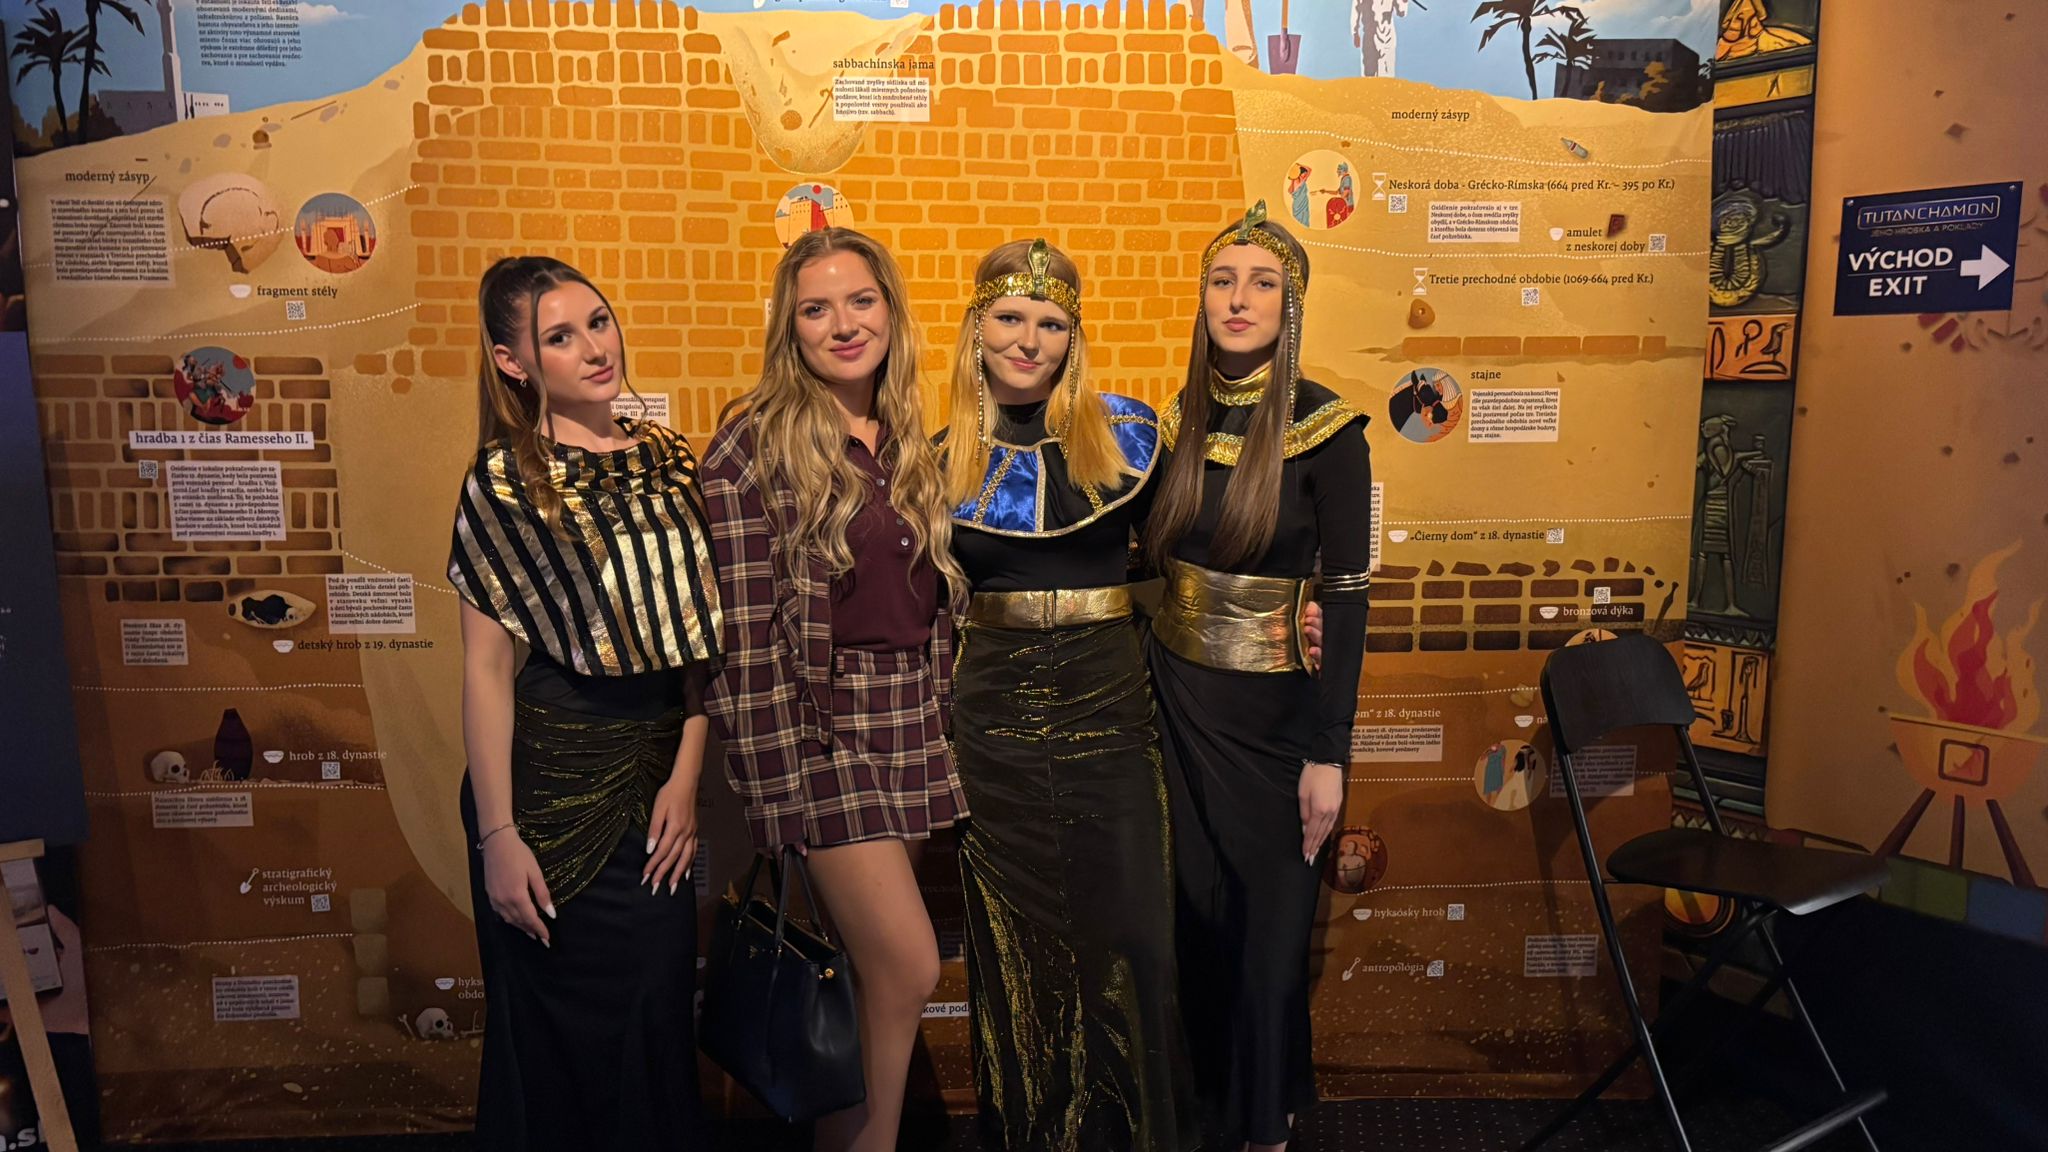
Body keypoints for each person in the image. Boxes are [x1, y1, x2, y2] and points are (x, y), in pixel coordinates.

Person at [700, 226, 966, 1152]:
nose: (844, 324)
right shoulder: (749, 447)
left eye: (860, 301)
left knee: (869, 982)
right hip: (822, 730)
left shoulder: (912, 439)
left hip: (912, 715)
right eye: (816, 309)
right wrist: (775, 793)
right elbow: (740, 644)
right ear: (791, 329)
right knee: (908, 966)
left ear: (890, 311)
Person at [447, 255, 721, 1150]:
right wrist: (497, 835)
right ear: (513, 362)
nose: (596, 348)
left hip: (656, 779)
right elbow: (486, 671)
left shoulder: (672, 460)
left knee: (656, 1018)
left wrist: (686, 778)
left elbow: (702, 645)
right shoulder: (500, 479)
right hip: (543, 789)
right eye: (560, 337)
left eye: (598, 322)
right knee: (548, 1041)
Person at [940, 238, 1197, 1151]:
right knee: (1021, 952)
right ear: (977, 329)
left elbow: (1194, 556)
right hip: (994, 722)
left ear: (1073, 338)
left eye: (1050, 324)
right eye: (1010, 318)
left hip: (1108, 705)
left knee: (1133, 938)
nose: (1028, 341)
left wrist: (1301, 608)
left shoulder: (1128, 438)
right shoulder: (936, 461)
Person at [1146, 202, 1373, 1152]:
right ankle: (1210, 1121)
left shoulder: (1331, 429)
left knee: (1269, 944)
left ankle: (1267, 1131)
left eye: (1263, 283)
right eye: (1222, 281)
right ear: (1202, 299)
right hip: (1173, 707)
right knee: (1194, 932)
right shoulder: (1172, 423)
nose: (1239, 300)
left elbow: (1347, 593)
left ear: (1293, 304)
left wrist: (1330, 753)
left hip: (1276, 723)